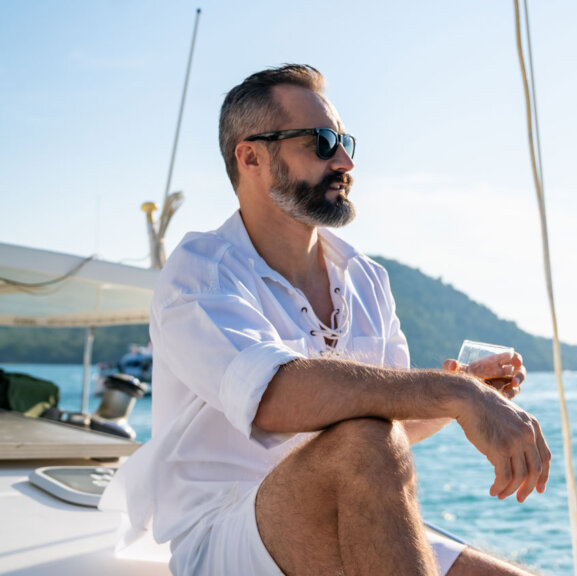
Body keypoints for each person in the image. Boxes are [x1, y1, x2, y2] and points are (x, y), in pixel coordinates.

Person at [101, 64, 552, 576]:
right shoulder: (201, 273)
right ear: (250, 156)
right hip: (227, 535)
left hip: (347, 508)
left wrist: (466, 390)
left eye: (343, 141)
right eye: (320, 142)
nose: (344, 161)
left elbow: (393, 425)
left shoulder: (366, 278)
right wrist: (458, 395)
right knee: (363, 441)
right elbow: (274, 396)